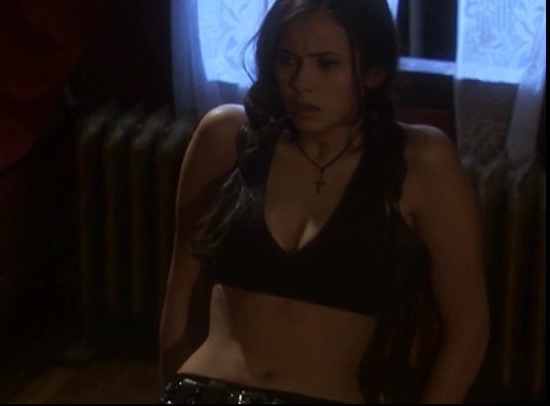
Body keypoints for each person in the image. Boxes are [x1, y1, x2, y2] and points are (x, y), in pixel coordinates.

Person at [159, 0, 489, 403]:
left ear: (373, 73)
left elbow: (468, 331)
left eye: (326, 64)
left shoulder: (421, 162)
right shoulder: (226, 138)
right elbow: (180, 297)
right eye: (287, 60)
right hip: (205, 392)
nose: (300, 83)